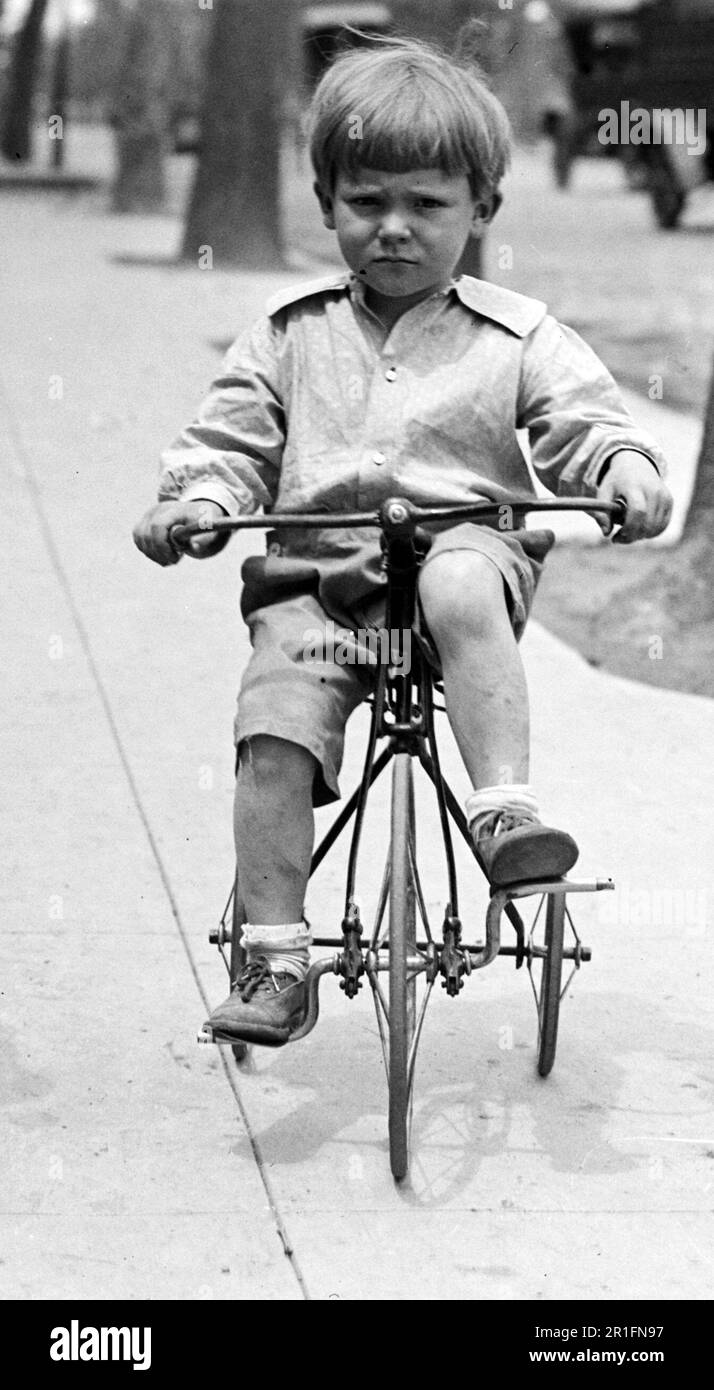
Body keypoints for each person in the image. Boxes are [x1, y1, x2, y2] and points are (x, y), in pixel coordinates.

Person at [133, 37, 672, 1047]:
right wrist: (195, 500)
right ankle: (278, 960)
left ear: (481, 211)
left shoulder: (516, 335)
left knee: (464, 582)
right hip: (326, 593)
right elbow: (225, 442)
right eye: (366, 202)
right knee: (274, 721)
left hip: (462, 560)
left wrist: (621, 472)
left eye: (426, 205)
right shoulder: (288, 334)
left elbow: (584, 424)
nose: (393, 229)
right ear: (326, 199)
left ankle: (504, 811)